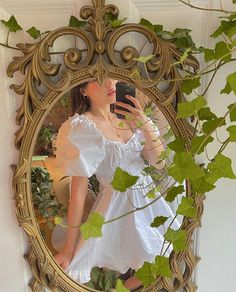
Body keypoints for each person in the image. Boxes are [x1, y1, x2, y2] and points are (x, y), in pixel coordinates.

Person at [54, 79, 180, 290]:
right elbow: (78, 192)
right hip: (116, 208)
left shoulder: (131, 118)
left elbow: (158, 162)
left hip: (148, 201)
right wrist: (68, 248)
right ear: (83, 89)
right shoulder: (82, 127)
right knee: (79, 267)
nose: (109, 83)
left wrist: (144, 124)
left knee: (167, 257)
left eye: (112, 76)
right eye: (98, 79)